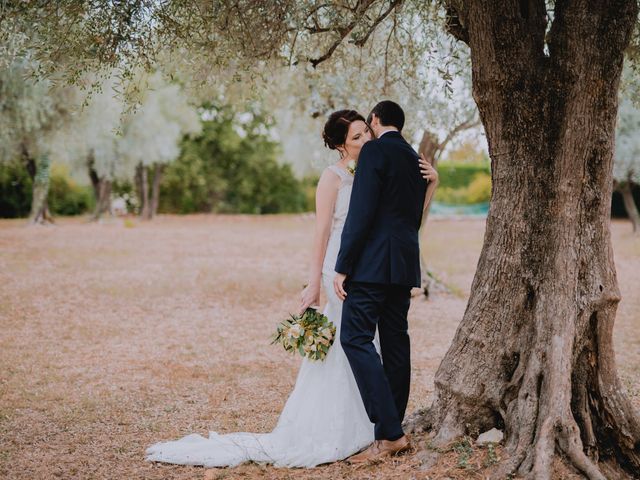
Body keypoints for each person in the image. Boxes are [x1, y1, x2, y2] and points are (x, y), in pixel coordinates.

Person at [145, 108, 438, 468]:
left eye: (366, 132)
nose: (365, 141)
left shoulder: (381, 158)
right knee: (382, 342)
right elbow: (328, 230)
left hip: (365, 266)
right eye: (356, 137)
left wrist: (431, 186)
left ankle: (389, 430)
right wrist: (317, 279)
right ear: (339, 146)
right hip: (356, 267)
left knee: (364, 342)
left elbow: (379, 217)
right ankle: (382, 429)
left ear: (375, 121)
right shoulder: (366, 167)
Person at [334, 100, 429, 463]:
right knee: (395, 342)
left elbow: (362, 212)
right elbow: (413, 216)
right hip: (403, 264)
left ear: (375, 120)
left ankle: (390, 432)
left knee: (354, 337)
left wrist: (344, 265)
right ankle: (394, 427)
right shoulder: (414, 157)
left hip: (373, 266)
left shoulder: (374, 150)